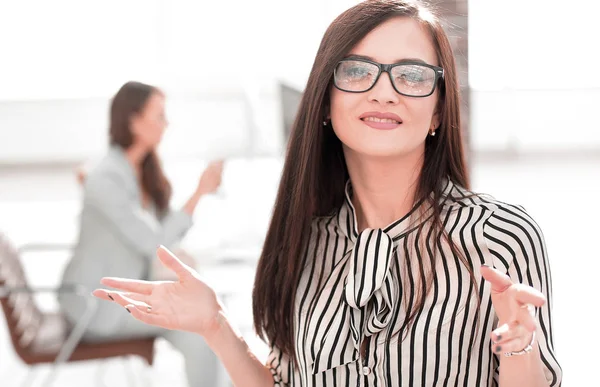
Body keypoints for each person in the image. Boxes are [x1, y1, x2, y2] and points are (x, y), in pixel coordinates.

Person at [92, 2, 562, 386]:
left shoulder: (500, 236)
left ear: (439, 112)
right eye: (358, 71)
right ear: (324, 103)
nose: (384, 92)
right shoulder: (307, 242)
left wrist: (520, 347)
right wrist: (215, 323)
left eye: (413, 76)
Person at [59, 81, 225, 386]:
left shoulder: (138, 169)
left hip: (121, 291)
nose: (167, 123)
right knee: (204, 328)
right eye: (160, 115)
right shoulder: (106, 178)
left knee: (209, 323)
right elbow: (155, 242)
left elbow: (160, 235)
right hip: (96, 308)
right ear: (135, 122)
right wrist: (200, 192)